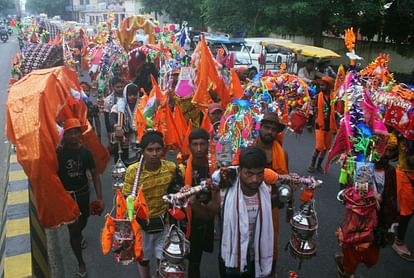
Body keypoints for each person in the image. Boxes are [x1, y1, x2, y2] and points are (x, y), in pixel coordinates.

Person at [122, 131, 183, 278]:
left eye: (158, 149)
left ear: (163, 150)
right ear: (142, 152)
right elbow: (126, 198)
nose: (154, 153)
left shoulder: (171, 168)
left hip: (164, 225)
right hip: (142, 227)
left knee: (162, 260)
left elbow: (177, 192)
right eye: (150, 150)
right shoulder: (132, 171)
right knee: (143, 260)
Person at [335, 144, 399, 278]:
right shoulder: (364, 167)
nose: (386, 153)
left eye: (389, 150)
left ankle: (345, 263)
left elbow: (391, 197)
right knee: (353, 256)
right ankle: (347, 270)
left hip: (379, 220)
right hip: (360, 220)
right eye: (383, 149)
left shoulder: (390, 171)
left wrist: (391, 222)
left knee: (372, 258)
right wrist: (371, 197)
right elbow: (357, 196)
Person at [57, 118, 104, 277]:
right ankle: (81, 263)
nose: (74, 136)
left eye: (77, 132)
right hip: (67, 197)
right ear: (65, 135)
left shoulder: (86, 152)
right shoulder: (58, 153)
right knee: (73, 230)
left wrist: (99, 198)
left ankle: (79, 234)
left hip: (84, 193)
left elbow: (95, 175)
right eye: (70, 132)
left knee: (83, 221)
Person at [217, 147, 274, 277]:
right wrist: (193, 202)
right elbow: (209, 213)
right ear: (239, 170)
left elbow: (278, 204)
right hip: (230, 257)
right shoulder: (224, 192)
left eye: (259, 174)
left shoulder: (267, 191)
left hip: (256, 255)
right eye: (249, 173)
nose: (255, 179)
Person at [181, 128, 220, 278]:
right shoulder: (182, 168)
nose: (198, 149)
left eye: (202, 144)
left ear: (208, 144)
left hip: (210, 216)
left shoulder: (216, 168)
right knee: (193, 260)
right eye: (195, 144)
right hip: (189, 220)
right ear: (189, 146)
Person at [254, 112, 288, 275]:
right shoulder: (248, 149)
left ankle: (270, 272)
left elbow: (285, 179)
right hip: (249, 202)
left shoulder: (282, 154)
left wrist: (285, 197)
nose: (270, 132)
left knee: (270, 241)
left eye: (274, 129)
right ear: (259, 127)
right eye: (267, 127)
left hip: (272, 203)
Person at [392, 135, 414, 261]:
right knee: (407, 211)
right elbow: (408, 161)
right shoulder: (405, 130)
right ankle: (398, 242)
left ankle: (395, 224)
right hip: (405, 175)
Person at [308, 76, 336, 173]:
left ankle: (319, 165)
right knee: (319, 146)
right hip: (319, 124)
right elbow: (310, 110)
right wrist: (308, 124)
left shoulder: (334, 97)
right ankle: (312, 164)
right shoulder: (316, 97)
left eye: (323, 85)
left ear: (328, 86)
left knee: (326, 148)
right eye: (320, 85)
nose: (321, 87)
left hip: (330, 125)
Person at [110, 83, 141, 165]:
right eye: (130, 95)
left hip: (137, 140)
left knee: (136, 165)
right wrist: (117, 126)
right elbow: (112, 118)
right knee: (122, 164)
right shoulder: (119, 106)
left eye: (134, 95)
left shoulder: (141, 105)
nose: (132, 97)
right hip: (122, 140)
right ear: (125, 94)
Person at [104, 76, 125, 140]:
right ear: (113, 87)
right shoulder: (108, 100)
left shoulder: (127, 97)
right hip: (114, 125)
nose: (120, 89)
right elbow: (107, 117)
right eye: (117, 87)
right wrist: (109, 132)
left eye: (121, 86)